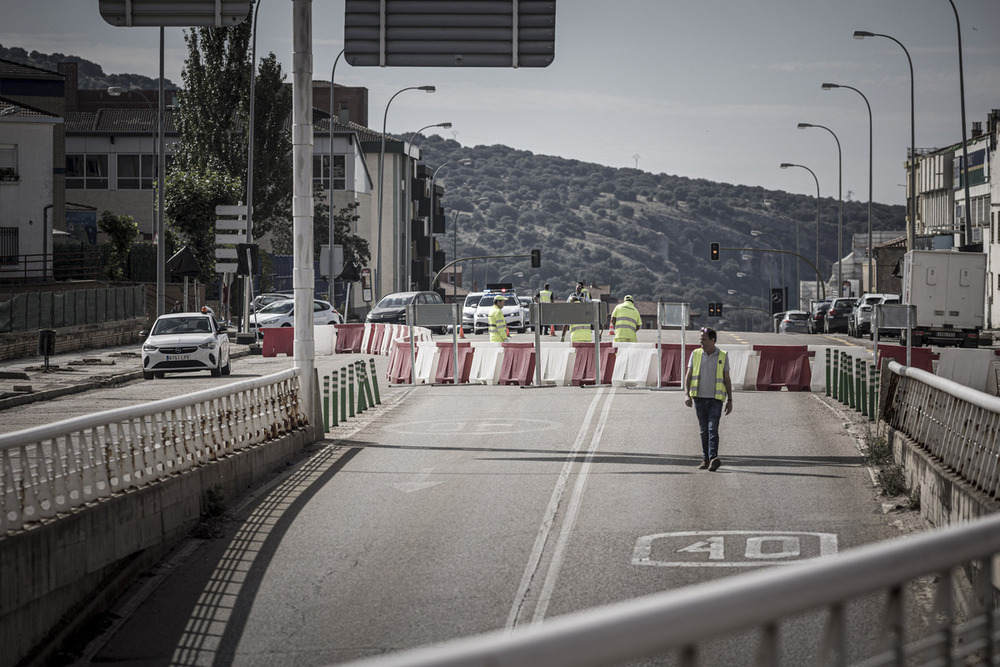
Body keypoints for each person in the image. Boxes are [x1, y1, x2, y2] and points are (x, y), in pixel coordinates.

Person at [683, 327, 734, 471]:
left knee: (713, 429)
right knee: (703, 430)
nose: (701, 343)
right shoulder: (696, 354)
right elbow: (689, 375)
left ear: (713, 340)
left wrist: (730, 400)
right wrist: (687, 394)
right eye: (700, 340)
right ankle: (705, 458)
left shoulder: (722, 355)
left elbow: (727, 379)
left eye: (704, 340)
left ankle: (713, 458)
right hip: (699, 399)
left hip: (716, 400)